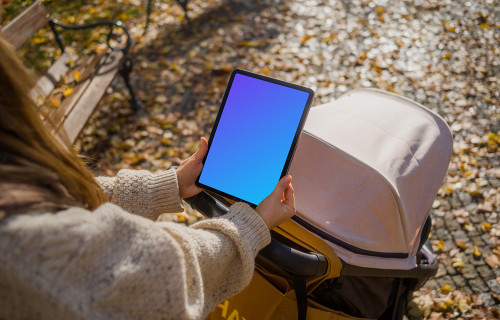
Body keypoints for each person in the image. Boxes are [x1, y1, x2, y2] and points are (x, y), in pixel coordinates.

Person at [0, 32, 295, 319]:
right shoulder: (22, 243)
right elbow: (164, 275)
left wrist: (166, 186)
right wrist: (250, 225)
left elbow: (71, 194)